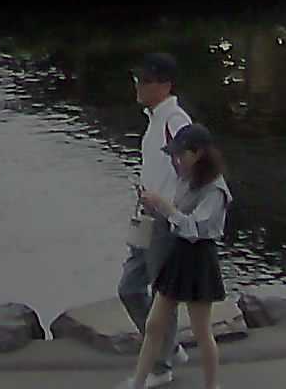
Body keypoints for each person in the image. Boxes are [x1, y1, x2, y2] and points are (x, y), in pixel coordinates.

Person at [121, 126, 229, 389]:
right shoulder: (185, 177)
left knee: (202, 331)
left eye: (181, 155)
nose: (176, 161)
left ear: (199, 153)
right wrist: (157, 207)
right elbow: (177, 218)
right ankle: (139, 381)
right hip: (179, 254)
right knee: (155, 324)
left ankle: (212, 386)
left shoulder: (216, 190)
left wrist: (165, 207)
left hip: (200, 256)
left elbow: (195, 228)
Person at [118, 54, 196, 369]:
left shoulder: (175, 120)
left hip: (164, 218)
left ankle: (160, 365)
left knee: (162, 294)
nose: (139, 85)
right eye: (138, 78)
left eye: (147, 80)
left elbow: (194, 169)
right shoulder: (155, 120)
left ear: (165, 85)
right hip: (146, 215)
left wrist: (172, 207)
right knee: (129, 288)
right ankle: (169, 348)